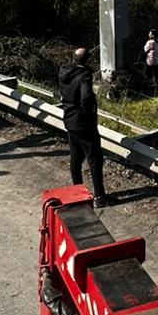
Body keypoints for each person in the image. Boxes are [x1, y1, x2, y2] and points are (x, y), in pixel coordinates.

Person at [58, 47, 108, 208]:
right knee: (94, 158)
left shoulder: (64, 71)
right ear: (87, 60)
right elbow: (86, 97)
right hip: (83, 123)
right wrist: (89, 114)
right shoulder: (84, 75)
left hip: (69, 119)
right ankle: (99, 196)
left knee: (75, 157)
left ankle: (77, 192)